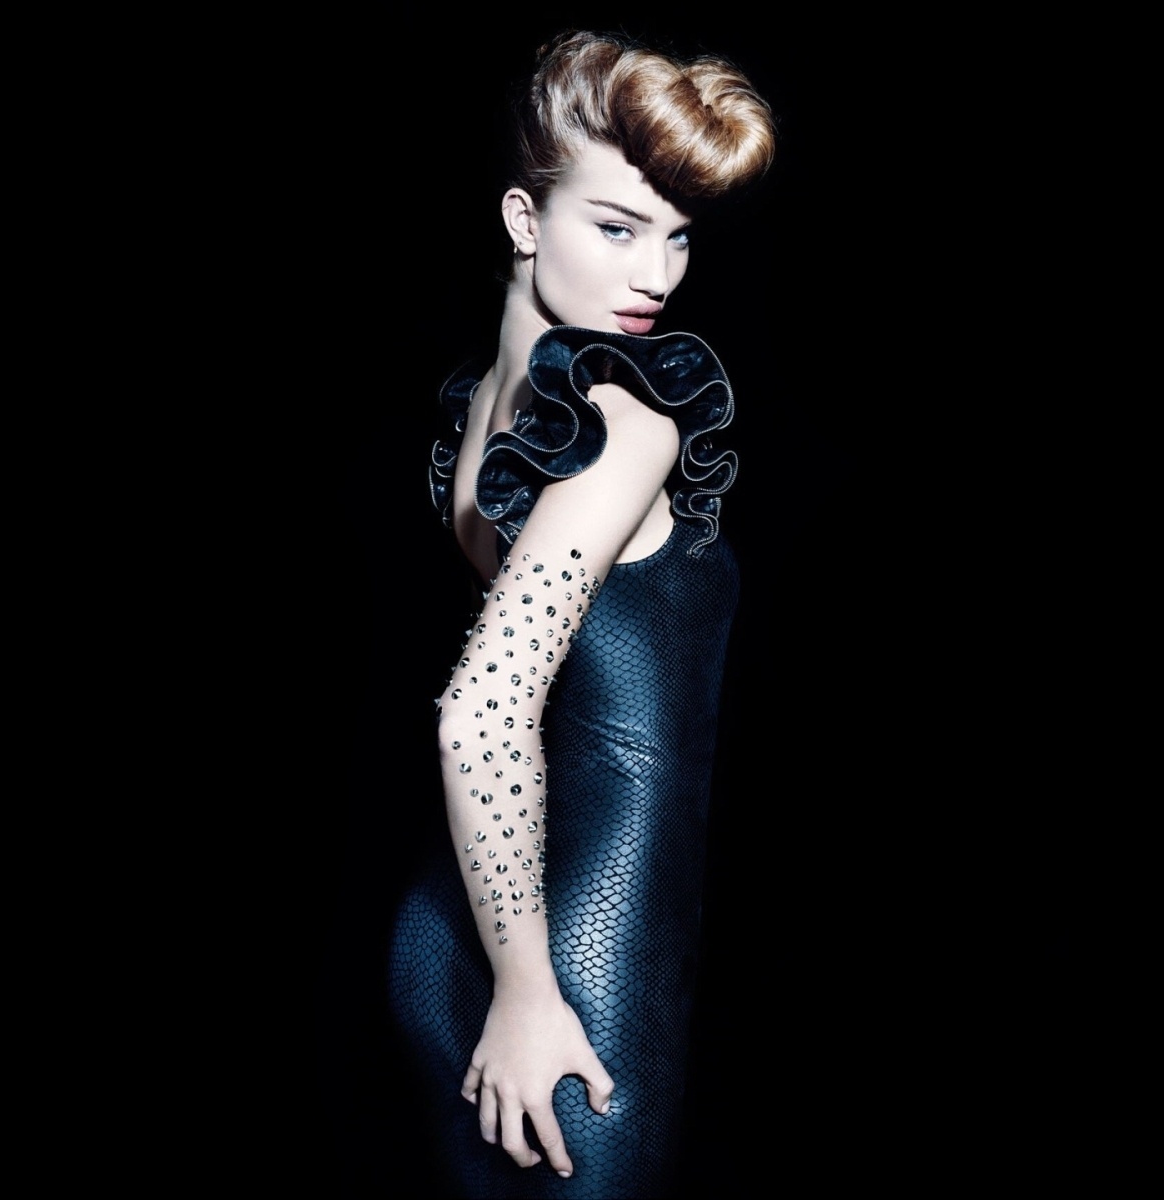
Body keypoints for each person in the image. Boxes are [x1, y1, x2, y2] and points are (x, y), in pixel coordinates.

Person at [387, 30, 777, 1197]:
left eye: (678, 235)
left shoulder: (488, 416)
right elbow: (480, 719)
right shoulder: (623, 425)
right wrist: (527, 988)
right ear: (524, 219)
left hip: (444, 932)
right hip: (577, 959)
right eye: (616, 227)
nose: (657, 274)